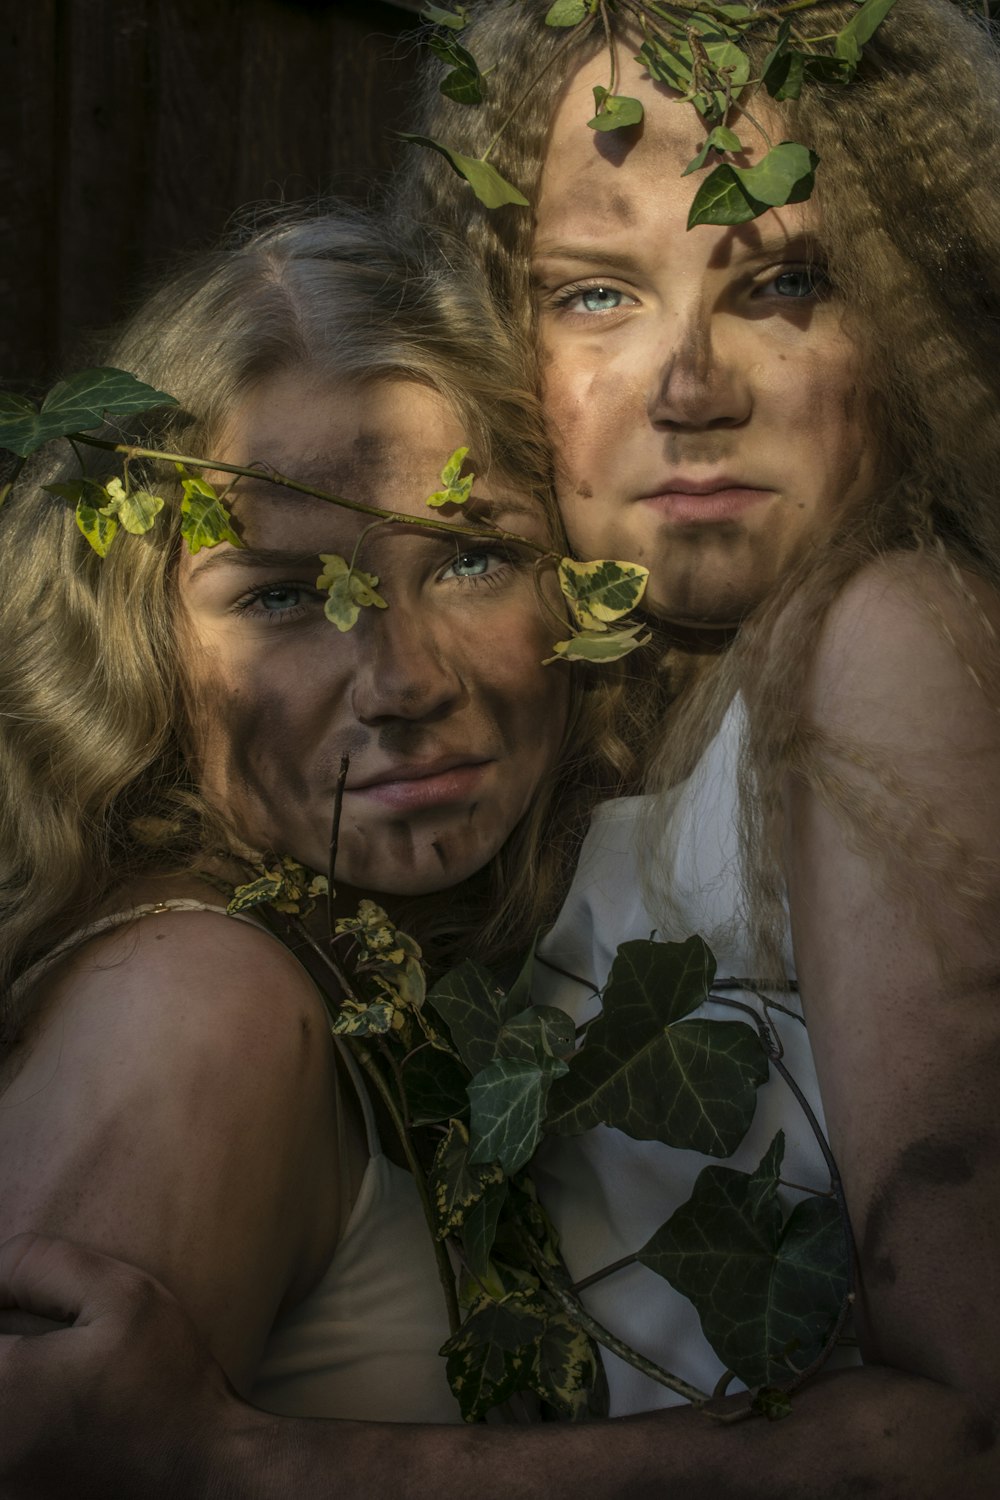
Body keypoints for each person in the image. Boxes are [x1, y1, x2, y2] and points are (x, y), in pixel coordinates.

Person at [3, 0, 1000, 1494]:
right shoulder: (240, 970)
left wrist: (242, 1460)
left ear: (908, 311)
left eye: (785, 277)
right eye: (595, 295)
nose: (690, 386)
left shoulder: (873, 641)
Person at [0, 207, 632, 1434]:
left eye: (465, 559)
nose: (405, 683)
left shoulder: (400, 962)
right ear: (136, 641)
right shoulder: (194, 1007)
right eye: (284, 595)